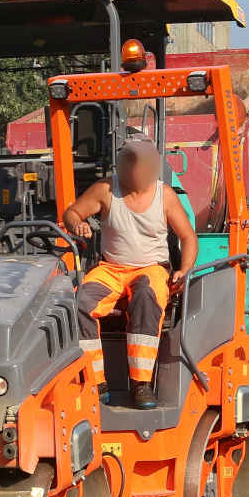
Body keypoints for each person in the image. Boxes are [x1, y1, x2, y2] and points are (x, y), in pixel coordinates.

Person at [63, 136, 198, 409]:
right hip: (111, 269)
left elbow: (188, 237)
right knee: (80, 304)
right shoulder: (105, 190)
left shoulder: (165, 196)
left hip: (151, 269)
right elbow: (72, 213)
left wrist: (184, 270)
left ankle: (141, 383)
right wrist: (77, 224)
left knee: (147, 297)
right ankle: (94, 382)